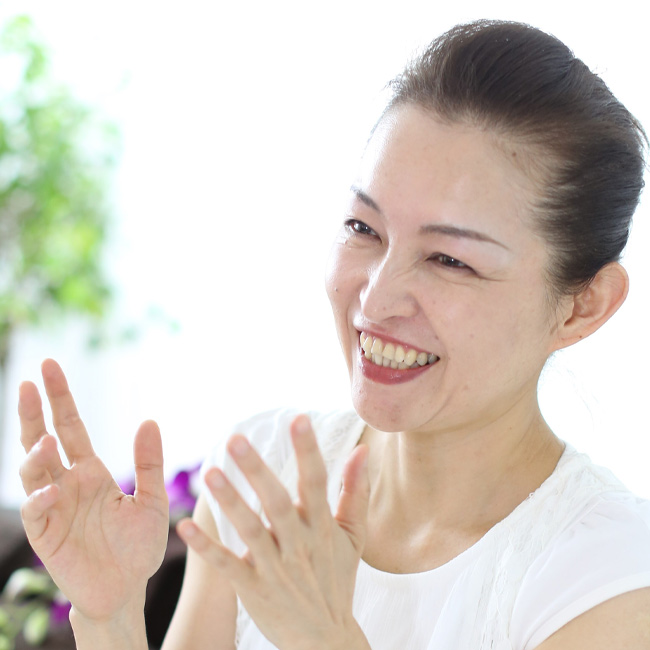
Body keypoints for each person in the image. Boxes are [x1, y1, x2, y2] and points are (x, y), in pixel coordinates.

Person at [17, 19, 650, 650]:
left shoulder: (609, 580)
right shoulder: (261, 473)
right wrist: (112, 616)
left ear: (583, 307)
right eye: (363, 229)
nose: (374, 296)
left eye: (450, 260)